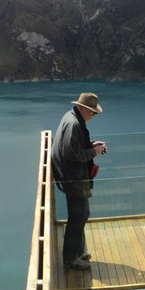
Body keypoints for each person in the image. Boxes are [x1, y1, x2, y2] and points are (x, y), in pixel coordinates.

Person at [51, 92, 108, 270]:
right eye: (91, 111)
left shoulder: (71, 117)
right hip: (72, 178)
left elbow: (72, 146)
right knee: (78, 217)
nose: (93, 114)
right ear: (82, 107)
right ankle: (71, 258)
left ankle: (79, 250)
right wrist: (94, 152)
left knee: (81, 214)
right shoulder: (75, 124)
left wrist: (90, 145)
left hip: (68, 175)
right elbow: (72, 154)